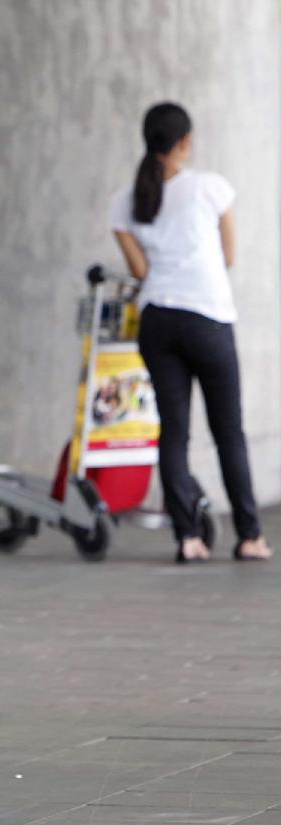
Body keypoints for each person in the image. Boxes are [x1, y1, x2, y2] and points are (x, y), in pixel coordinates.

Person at [111, 102, 271, 563]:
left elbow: (140, 270)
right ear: (185, 141)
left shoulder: (126, 200)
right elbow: (228, 257)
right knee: (229, 433)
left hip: (158, 321)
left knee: (174, 433)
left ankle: (188, 538)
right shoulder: (211, 188)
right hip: (208, 318)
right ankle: (250, 537)